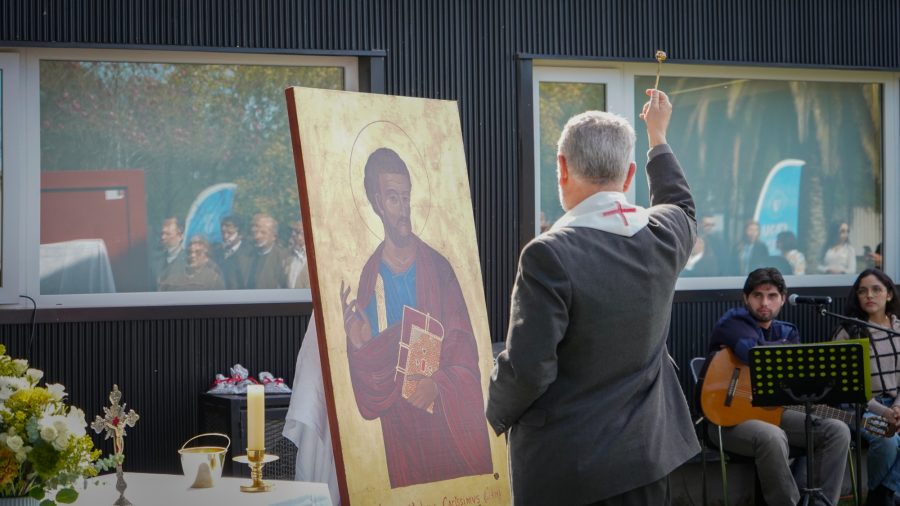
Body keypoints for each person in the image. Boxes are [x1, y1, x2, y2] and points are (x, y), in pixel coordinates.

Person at [486, 90, 700, 505]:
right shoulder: (664, 236)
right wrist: (658, 136)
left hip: (568, 467)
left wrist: (493, 409)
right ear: (630, 175)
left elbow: (529, 370)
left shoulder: (548, 253)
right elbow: (681, 205)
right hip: (647, 460)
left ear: (562, 169)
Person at [339, 147, 492, 488]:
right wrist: (361, 346)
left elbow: (464, 347)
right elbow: (371, 376)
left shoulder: (438, 268)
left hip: (443, 419)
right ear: (377, 202)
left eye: (406, 197)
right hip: (399, 427)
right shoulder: (369, 277)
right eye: (393, 199)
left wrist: (437, 384)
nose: (403, 209)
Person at [707, 267, 850, 506]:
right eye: (758, 295)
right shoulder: (732, 322)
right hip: (727, 418)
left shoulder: (788, 331)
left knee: (838, 430)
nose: (765, 302)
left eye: (772, 295)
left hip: (775, 411)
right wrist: (782, 350)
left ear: (783, 299)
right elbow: (751, 353)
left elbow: (792, 385)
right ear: (746, 298)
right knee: (772, 436)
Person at [833, 268, 900, 506]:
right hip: (858, 408)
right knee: (887, 438)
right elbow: (845, 388)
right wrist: (885, 413)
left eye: (876, 289)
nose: (869, 295)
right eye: (863, 291)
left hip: (895, 406)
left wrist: (897, 409)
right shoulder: (848, 332)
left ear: (889, 295)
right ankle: (885, 496)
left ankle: (879, 497)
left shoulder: (899, 329)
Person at [158, 236, 225, 291]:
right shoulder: (174, 272)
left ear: (206, 256)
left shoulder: (214, 277)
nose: (192, 255)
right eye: (190, 252)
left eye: (198, 252)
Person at [247, 213, 290, 289]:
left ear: (274, 236)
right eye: (255, 232)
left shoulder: (283, 257)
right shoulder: (246, 255)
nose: (257, 236)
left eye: (263, 233)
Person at [215, 215, 253, 289]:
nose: (223, 228)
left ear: (237, 228)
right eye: (222, 225)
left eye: (228, 225)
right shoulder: (217, 252)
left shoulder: (248, 252)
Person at [156, 217, 186, 290]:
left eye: (168, 234)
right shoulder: (155, 260)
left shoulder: (189, 260)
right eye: (162, 233)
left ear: (180, 236)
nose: (163, 237)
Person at [287, 219, 310, 289]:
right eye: (292, 231)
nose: (293, 234)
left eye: (297, 231)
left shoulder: (315, 255)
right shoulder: (288, 256)